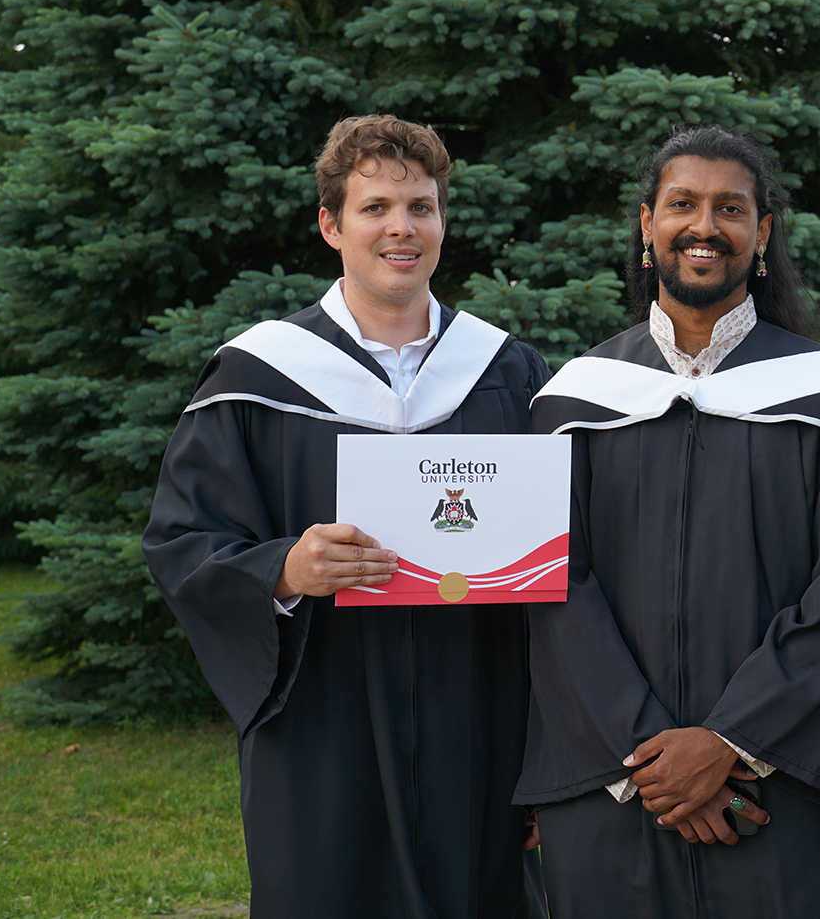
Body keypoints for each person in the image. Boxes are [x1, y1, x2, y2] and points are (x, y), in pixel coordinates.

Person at [143, 115, 548, 919]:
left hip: (480, 719)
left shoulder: (508, 372)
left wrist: (552, 748)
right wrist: (286, 570)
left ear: (442, 221)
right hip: (326, 724)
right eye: (375, 208)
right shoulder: (260, 376)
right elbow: (182, 542)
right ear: (332, 224)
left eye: (421, 206)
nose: (402, 227)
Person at [516, 125, 820, 918]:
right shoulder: (576, 401)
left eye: (731, 208)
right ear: (647, 227)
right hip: (613, 790)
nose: (705, 225)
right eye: (682, 204)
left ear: (761, 236)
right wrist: (653, 761)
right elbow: (552, 588)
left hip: (779, 790)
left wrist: (728, 742)